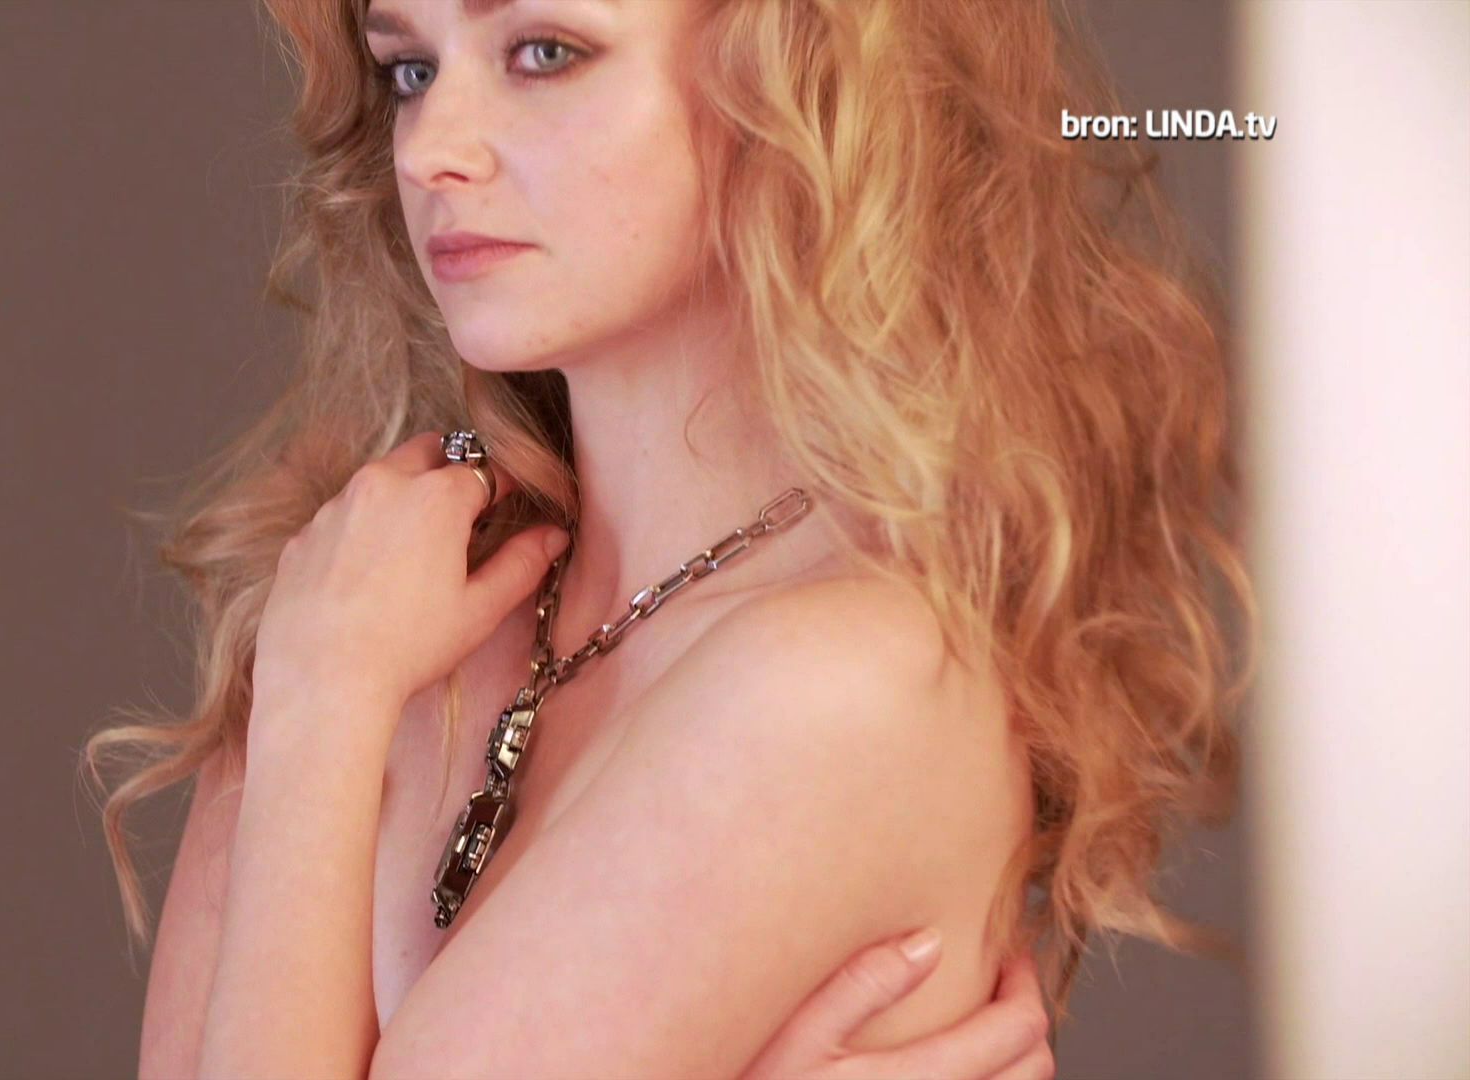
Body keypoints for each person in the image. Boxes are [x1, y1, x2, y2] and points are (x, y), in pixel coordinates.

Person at [82, 0, 1256, 1075]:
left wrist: (319, 710)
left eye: (545, 53)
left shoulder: (842, 682)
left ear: (798, 85)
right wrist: (319, 692)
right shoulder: (361, 595)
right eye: (411, 70)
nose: (431, 146)